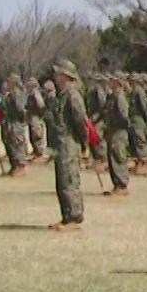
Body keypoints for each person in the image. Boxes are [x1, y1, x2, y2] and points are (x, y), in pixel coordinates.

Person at [47, 60, 91, 231]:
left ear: (65, 75)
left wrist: (84, 143)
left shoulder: (73, 95)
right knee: (62, 181)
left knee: (69, 180)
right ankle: (66, 217)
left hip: (70, 143)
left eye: (58, 73)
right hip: (61, 144)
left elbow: (81, 122)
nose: (55, 76)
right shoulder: (62, 94)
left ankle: (74, 216)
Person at [102, 74, 133, 196]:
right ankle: (116, 184)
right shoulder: (112, 96)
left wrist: (120, 126)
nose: (110, 82)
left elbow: (124, 116)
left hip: (119, 131)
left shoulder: (120, 97)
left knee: (118, 156)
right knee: (112, 156)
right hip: (112, 130)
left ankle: (122, 184)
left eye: (113, 80)